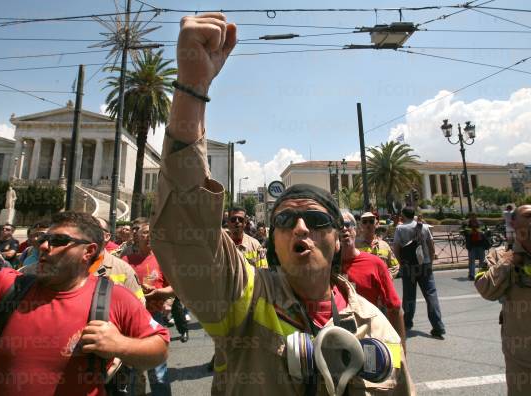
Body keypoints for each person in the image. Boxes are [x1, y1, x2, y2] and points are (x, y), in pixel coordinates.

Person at [151, 13, 414, 395]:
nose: (301, 227)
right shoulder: (242, 297)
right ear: (273, 241)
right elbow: (185, 216)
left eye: (314, 219)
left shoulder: (377, 327)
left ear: (340, 238)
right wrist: (193, 85)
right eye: (286, 219)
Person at [0, 211, 169, 395]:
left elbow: (159, 347)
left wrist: (120, 345)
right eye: (44, 239)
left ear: (88, 251)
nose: (43, 246)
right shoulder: (7, 285)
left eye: (59, 241)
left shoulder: (115, 298)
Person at [475, 205, 531, 395]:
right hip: (523, 353)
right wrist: (509, 261)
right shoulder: (499, 256)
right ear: (513, 223)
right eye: (528, 215)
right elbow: (485, 290)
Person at [122, 221, 179, 395]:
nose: (149, 236)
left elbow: (174, 288)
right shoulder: (125, 261)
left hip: (155, 318)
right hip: (130, 323)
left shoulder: (163, 259)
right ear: (136, 236)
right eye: (145, 232)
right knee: (133, 372)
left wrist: (158, 293)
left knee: (158, 370)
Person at [339, 211, 406, 352]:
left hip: (370, 341)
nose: (343, 229)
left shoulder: (377, 259)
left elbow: (395, 310)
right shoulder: (324, 267)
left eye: (347, 225)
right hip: (337, 344)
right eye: (338, 225)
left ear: (355, 229)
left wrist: (399, 356)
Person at [392, 207, 445, 340]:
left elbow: (396, 248)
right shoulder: (424, 227)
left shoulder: (400, 229)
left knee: (409, 296)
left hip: (408, 267)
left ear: (403, 215)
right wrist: (430, 261)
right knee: (431, 295)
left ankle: (407, 322)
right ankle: (438, 326)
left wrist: (401, 263)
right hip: (425, 265)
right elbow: (431, 245)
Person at [356, 212, 400, 279]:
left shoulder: (384, 245)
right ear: (361, 225)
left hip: (382, 287)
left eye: (371, 221)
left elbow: (395, 265)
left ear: (376, 224)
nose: (368, 224)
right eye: (365, 222)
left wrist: (387, 276)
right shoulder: (355, 247)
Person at [461, 212, 489, 281]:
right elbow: (463, 232)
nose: (473, 218)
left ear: (476, 216)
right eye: (471, 216)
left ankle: (482, 274)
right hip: (471, 245)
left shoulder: (481, 224)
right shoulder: (466, 224)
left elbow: (486, 231)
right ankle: (471, 275)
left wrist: (482, 233)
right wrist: (470, 232)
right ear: (469, 217)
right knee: (471, 261)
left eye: (474, 216)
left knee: (482, 260)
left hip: (480, 244)